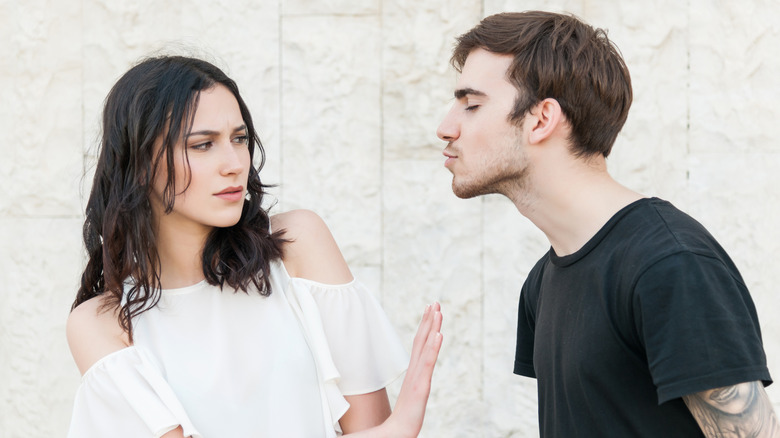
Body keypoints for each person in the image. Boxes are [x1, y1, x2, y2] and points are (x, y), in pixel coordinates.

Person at [436, 10, 778, 437]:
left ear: (542, 119)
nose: (445, 127)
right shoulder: (543, 282)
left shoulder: (669, 265)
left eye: (471, 105)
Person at [66, 55, 443, 438]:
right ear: (141, 162)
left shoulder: (298, 246)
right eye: (203, 145)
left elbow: (371, 427)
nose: (233, 163)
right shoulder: (104, 322)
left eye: (239, 138)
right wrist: (397, 428)